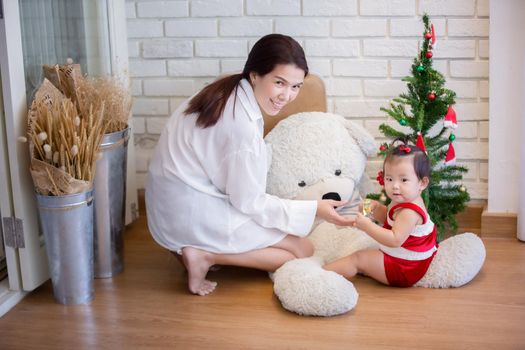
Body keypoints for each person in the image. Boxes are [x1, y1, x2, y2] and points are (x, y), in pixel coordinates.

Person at [145, 34, 353, 296]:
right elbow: (248, 201)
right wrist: (313, 209)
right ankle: (205, 255)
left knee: (296, 243)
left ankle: (207, 252)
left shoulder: (228, 89)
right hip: (189, 210)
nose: (287, 96)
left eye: (296, 86)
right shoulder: (239, 126)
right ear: (255, 75)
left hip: (179, 197)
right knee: (301, 252)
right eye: (280, 83)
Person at [324, 143, 438, 287]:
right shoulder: (405, 196)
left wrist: (367, 227)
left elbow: (394, 240)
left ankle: (319, 274)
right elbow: (389, 218)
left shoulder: (409, 212)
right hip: (403, 259)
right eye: (390, 179)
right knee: (367, 258)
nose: (395, 185)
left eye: (403, 180)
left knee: (358, 258)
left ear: (422, 183)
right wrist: (373, 208)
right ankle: (368, 267)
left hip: (404, 268)